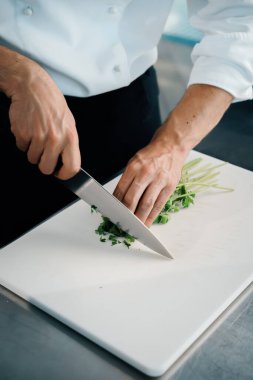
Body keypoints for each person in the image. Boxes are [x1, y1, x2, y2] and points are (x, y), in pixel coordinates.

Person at [0, 1, 252, 247]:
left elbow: (239, 24)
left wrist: (172, 145)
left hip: (124, 112)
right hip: (9, 101)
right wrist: (17, 73)